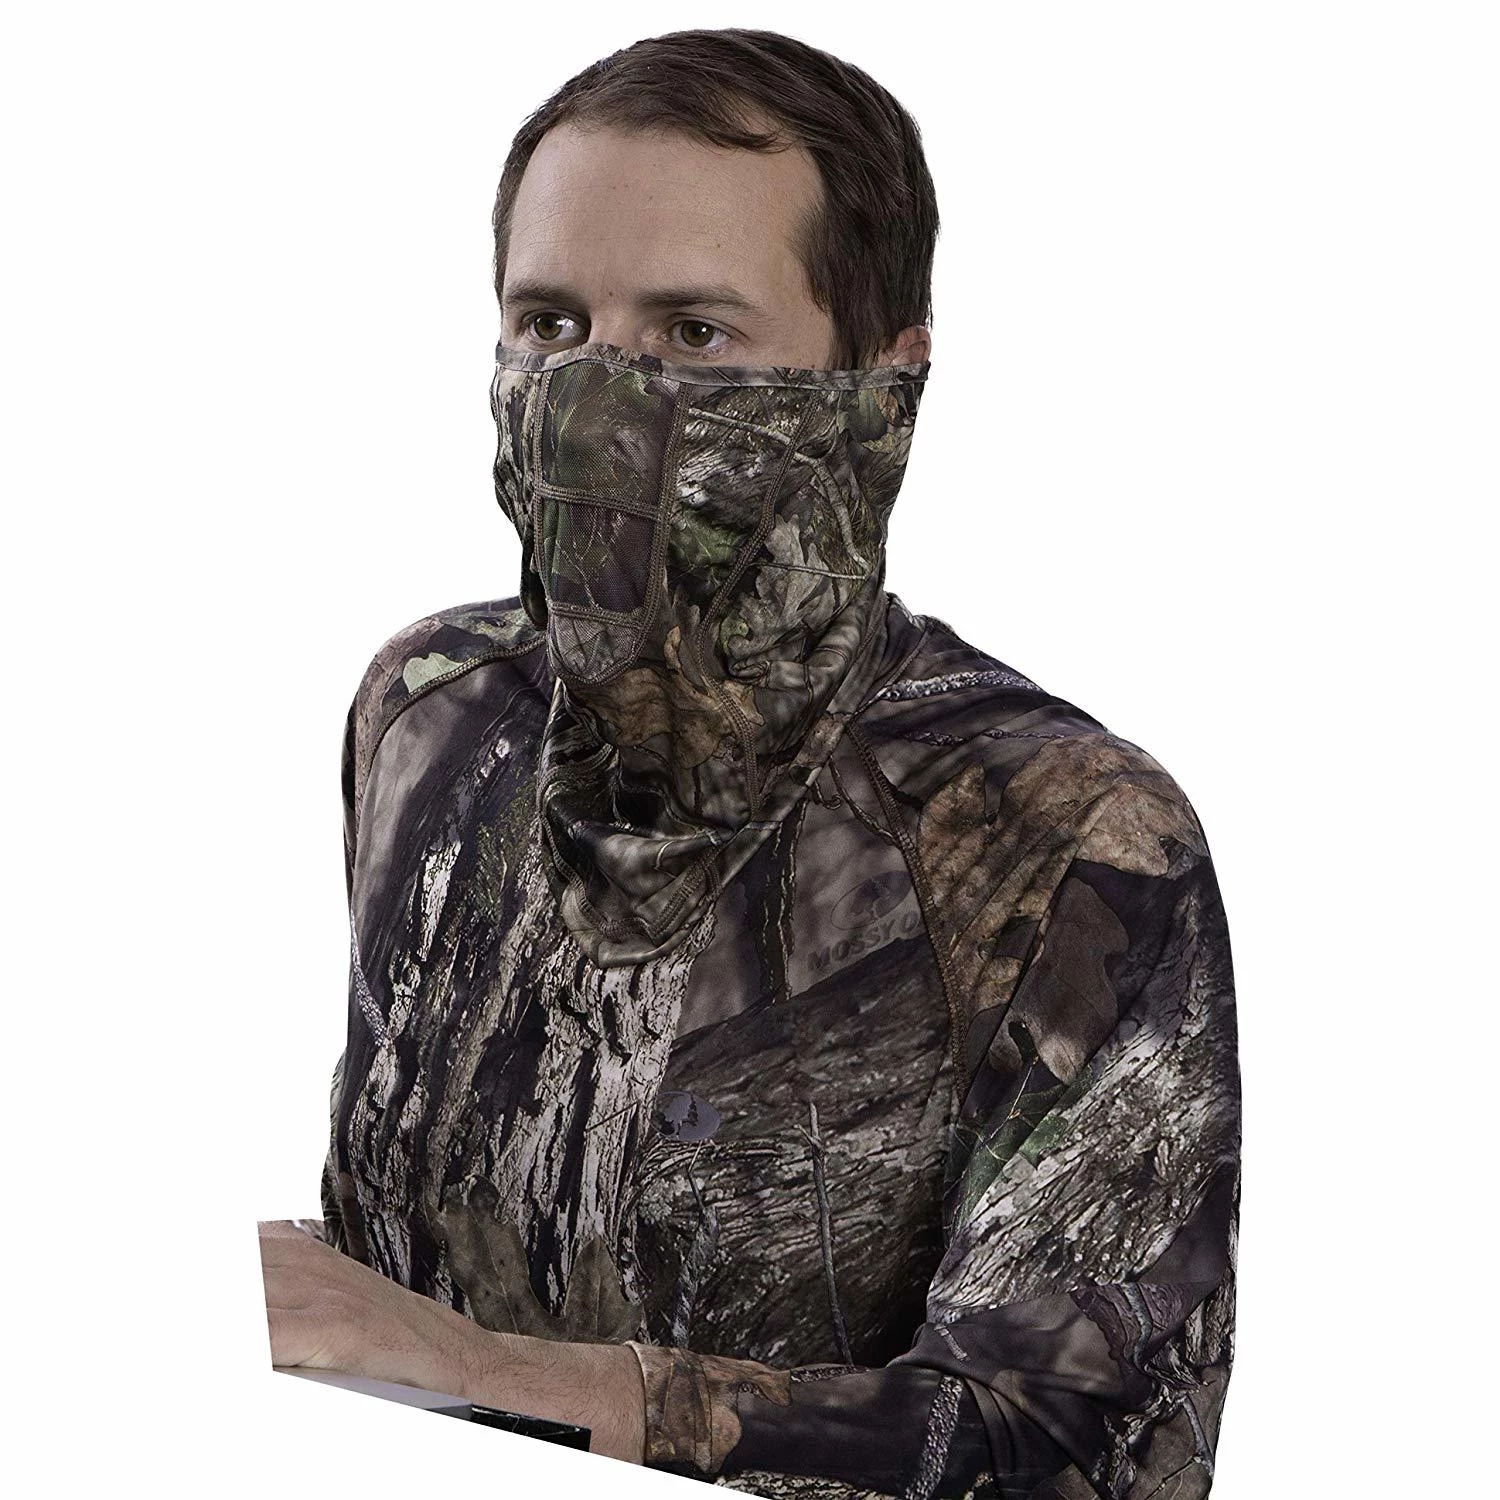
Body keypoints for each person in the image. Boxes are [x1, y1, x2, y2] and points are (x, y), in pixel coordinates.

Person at [260, 27, 1242, 1500]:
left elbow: (1074, 1451)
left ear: (887, 379)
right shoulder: (435, 716)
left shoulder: (1060, 833)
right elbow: (380, 1265)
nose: (596, 394)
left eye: (695, 334)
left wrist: (471, 1372)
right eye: (550, 323)